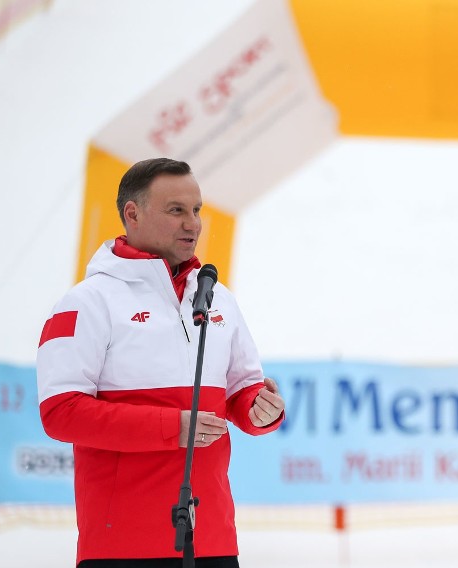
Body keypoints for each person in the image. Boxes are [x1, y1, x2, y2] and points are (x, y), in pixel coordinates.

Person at [36, 158, 285, 568]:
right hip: (124, 548)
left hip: (213, 542)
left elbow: (245, 391)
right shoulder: (86, 302)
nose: (193, 223)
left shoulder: (218, 297)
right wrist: (174, 427)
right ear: (132, 214)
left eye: (197, 210)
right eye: (176, 210)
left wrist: (262, 410)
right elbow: (60, 414)